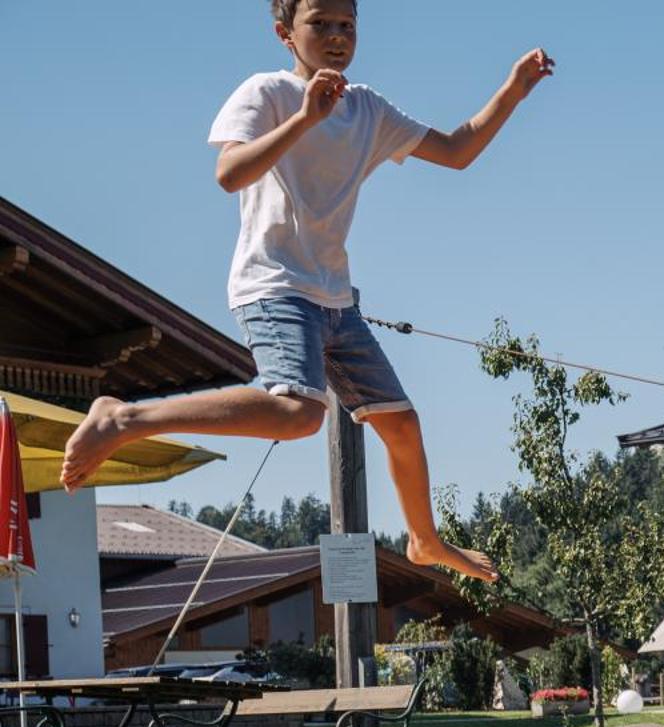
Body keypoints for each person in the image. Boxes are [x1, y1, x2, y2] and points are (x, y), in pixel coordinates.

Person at [58, 0, 555, 584]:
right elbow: (229, 173)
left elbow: (456, 150)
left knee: (401, 424)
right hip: (272, 285)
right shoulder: (266, 92)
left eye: (347, 25)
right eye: (320, 24)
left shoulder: (368, 108)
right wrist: (305, 119)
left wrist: (515, 90)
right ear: (284, 33)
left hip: (336, 299)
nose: (337, 36)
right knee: (299, 413)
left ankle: (424, 540)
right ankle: (124, 419)